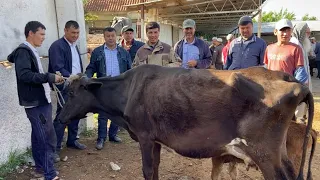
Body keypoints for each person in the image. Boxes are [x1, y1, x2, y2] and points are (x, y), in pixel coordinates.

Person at [7, 21, 61, 180]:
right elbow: (24, 75)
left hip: (40, 101)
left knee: (39, 136)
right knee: (46, 137)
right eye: (41, 34)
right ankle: (49, 174)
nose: (44, 38)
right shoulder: (24, 51)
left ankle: (40, 169)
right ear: (31, 33)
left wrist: (51, 80)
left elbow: (31, 74)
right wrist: (49, 77)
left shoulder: (31, 50)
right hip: (35, 103)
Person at [85, 27, 132, 150]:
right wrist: (87, 77)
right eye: (108, 36)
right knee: (103, 113)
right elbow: (91, 68)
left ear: (116, 36)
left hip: (119, 86)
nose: (110, 38)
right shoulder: (97, 52)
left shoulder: (123, 52)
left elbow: (129, 69)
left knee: (117, 111)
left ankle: (112, 135)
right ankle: (101, 138)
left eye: (112, 36)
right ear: (104, 37)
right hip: (103, 86)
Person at [48, 20, 87, 160]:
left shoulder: (74, 46)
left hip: (76, 85)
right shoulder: (57, 46)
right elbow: (58, 67)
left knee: (76, 113)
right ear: (65, 31)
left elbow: (76, 66)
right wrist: (71, 77)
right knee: (62, 116)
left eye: (77, 33)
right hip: (65, 86)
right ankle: (54, 149)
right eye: (73, 33)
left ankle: (72, 141)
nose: (75, 35)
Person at [264, 19, 307, 86]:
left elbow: (300, 72)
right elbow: (265, 68)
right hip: (271, 87)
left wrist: (295, 88)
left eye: (288, 30)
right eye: (282, 30)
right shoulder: (269, 48)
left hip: (287, 88)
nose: (285, 34)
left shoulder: (296, 48)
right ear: (275, 32)